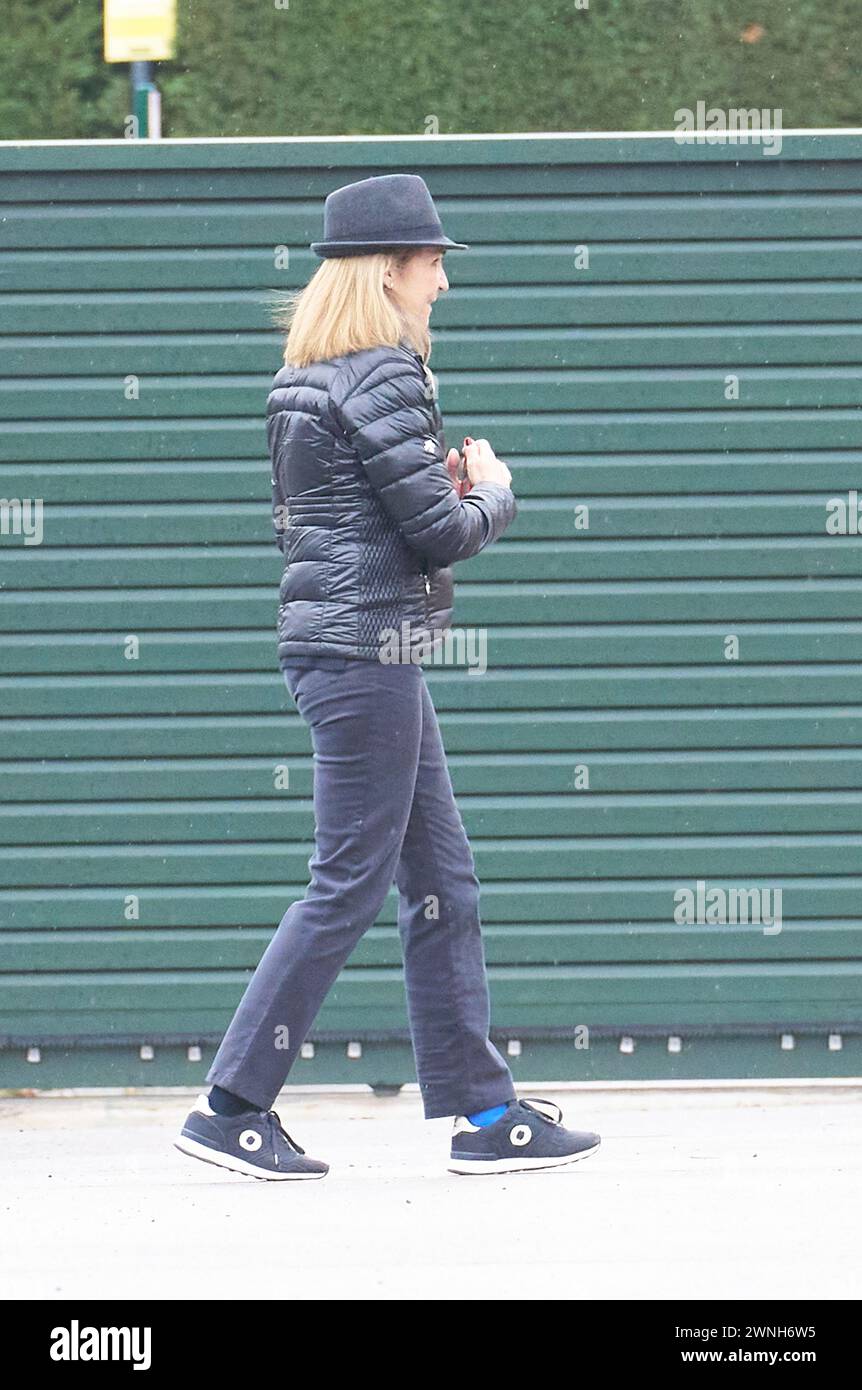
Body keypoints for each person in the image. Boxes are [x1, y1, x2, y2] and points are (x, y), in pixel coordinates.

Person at [174, 173, 601, 1179]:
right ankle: (231, 1102)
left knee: (441, 880)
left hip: (350, 651)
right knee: (347, 885)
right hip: (369, 655)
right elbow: (437, 531)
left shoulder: (304, 381)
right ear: (388, 273)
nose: (441, 285)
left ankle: (484, 1114)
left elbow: (351, 520)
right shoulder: (385, 377)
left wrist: (435, 493)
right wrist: (492, 493)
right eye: (432, 265)